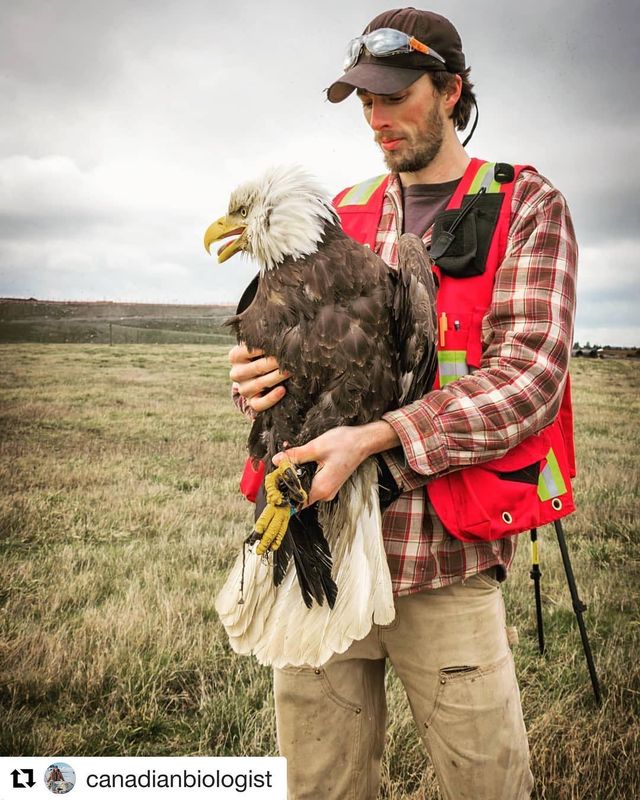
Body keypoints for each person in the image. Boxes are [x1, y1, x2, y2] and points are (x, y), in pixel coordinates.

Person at [228, 8, 577, 799]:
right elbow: (279, 368)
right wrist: (252, 380)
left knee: (486, 785)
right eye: (364, 102)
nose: (377, 119)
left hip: (442, 555)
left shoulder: (524, 205)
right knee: (319, 785)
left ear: (451, 90)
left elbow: (529, 377)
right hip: (317, 542)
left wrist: (376, 437)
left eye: (396, 96)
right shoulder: (332, 218)